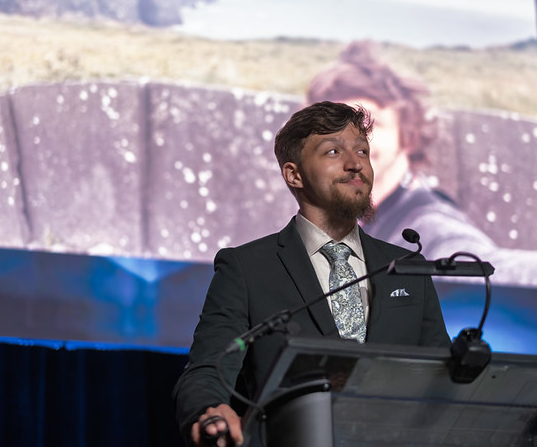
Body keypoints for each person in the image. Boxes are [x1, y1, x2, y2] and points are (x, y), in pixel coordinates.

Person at [172, 101, 450, 446]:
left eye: (362, 151)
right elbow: (207, 370)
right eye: (333, 151)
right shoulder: (247, 268)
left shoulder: (407, 268)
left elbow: (444, 377)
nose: (355, 163)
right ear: (294, 175)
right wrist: (210, 411)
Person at [307, 41, 537, 286]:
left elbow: (482, 266)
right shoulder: (356, 217)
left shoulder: (427, 228)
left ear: (408, 136)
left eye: (370, 124)